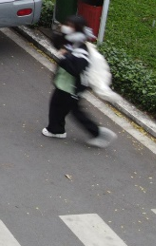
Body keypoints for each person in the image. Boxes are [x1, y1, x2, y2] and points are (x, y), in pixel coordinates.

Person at [42, 15, 119, 148]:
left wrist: (65, 57)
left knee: (75, 111)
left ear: (77, 29)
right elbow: (56, 43)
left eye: (70, 26)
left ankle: (98, 134)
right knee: (57, 106)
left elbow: (76, 69)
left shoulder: (82, 49)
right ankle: (56, 129)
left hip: (72, 87)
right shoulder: (70, 41)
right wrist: (59, 32)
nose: (67, 27)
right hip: (64, 84)